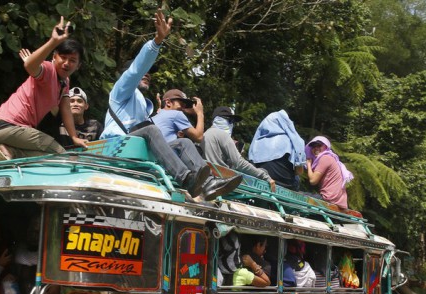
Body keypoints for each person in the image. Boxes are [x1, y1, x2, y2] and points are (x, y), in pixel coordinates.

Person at [100, 10, 241, 201]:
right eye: (145, 71)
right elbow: (136, 70)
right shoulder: (121, 90)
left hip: (137, 146)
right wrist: (157, 41)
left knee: (183, 142)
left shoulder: (142, 102)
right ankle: (186, 178)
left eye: (149, 72)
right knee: (151, 130)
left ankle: (208, 184)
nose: (147, 73)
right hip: (116, 145)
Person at [0, 17, 88, 163]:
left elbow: (65, 109)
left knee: (44, 158)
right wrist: (53, 41)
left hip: (0, 131)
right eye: (63, 57)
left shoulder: (64, 82)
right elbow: (30, 66)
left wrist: (74, 137)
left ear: (78, 65)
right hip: (8, 125)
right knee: (61, 155)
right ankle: (8, 152)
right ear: (54, 57)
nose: (67, 63)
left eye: (72, 60)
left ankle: (1, 154)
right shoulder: (49, 70)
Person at [201, 106, 276, 192]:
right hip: (221, 180)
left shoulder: (204, 134)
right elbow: (239, 163)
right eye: (230, 121)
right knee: (263, 171)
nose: (232, 124)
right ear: (219, 119)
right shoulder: (223, 135)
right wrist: (264, 176)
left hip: (207, 178)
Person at [248, 110, 306, 191]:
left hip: (262, 181)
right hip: (286, 185)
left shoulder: (257, 142)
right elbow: (299, 171)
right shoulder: (293, 141)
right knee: (297, 178)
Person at [305, 136, 353, 209]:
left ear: (325, 146)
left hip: (329, 200)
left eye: (319, 145)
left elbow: (313, 181)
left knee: (298, 196)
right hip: (338, 202)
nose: (316, 148)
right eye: (314, 146)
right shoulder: (331, 158)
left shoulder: (325, 158)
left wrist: (308, 164)